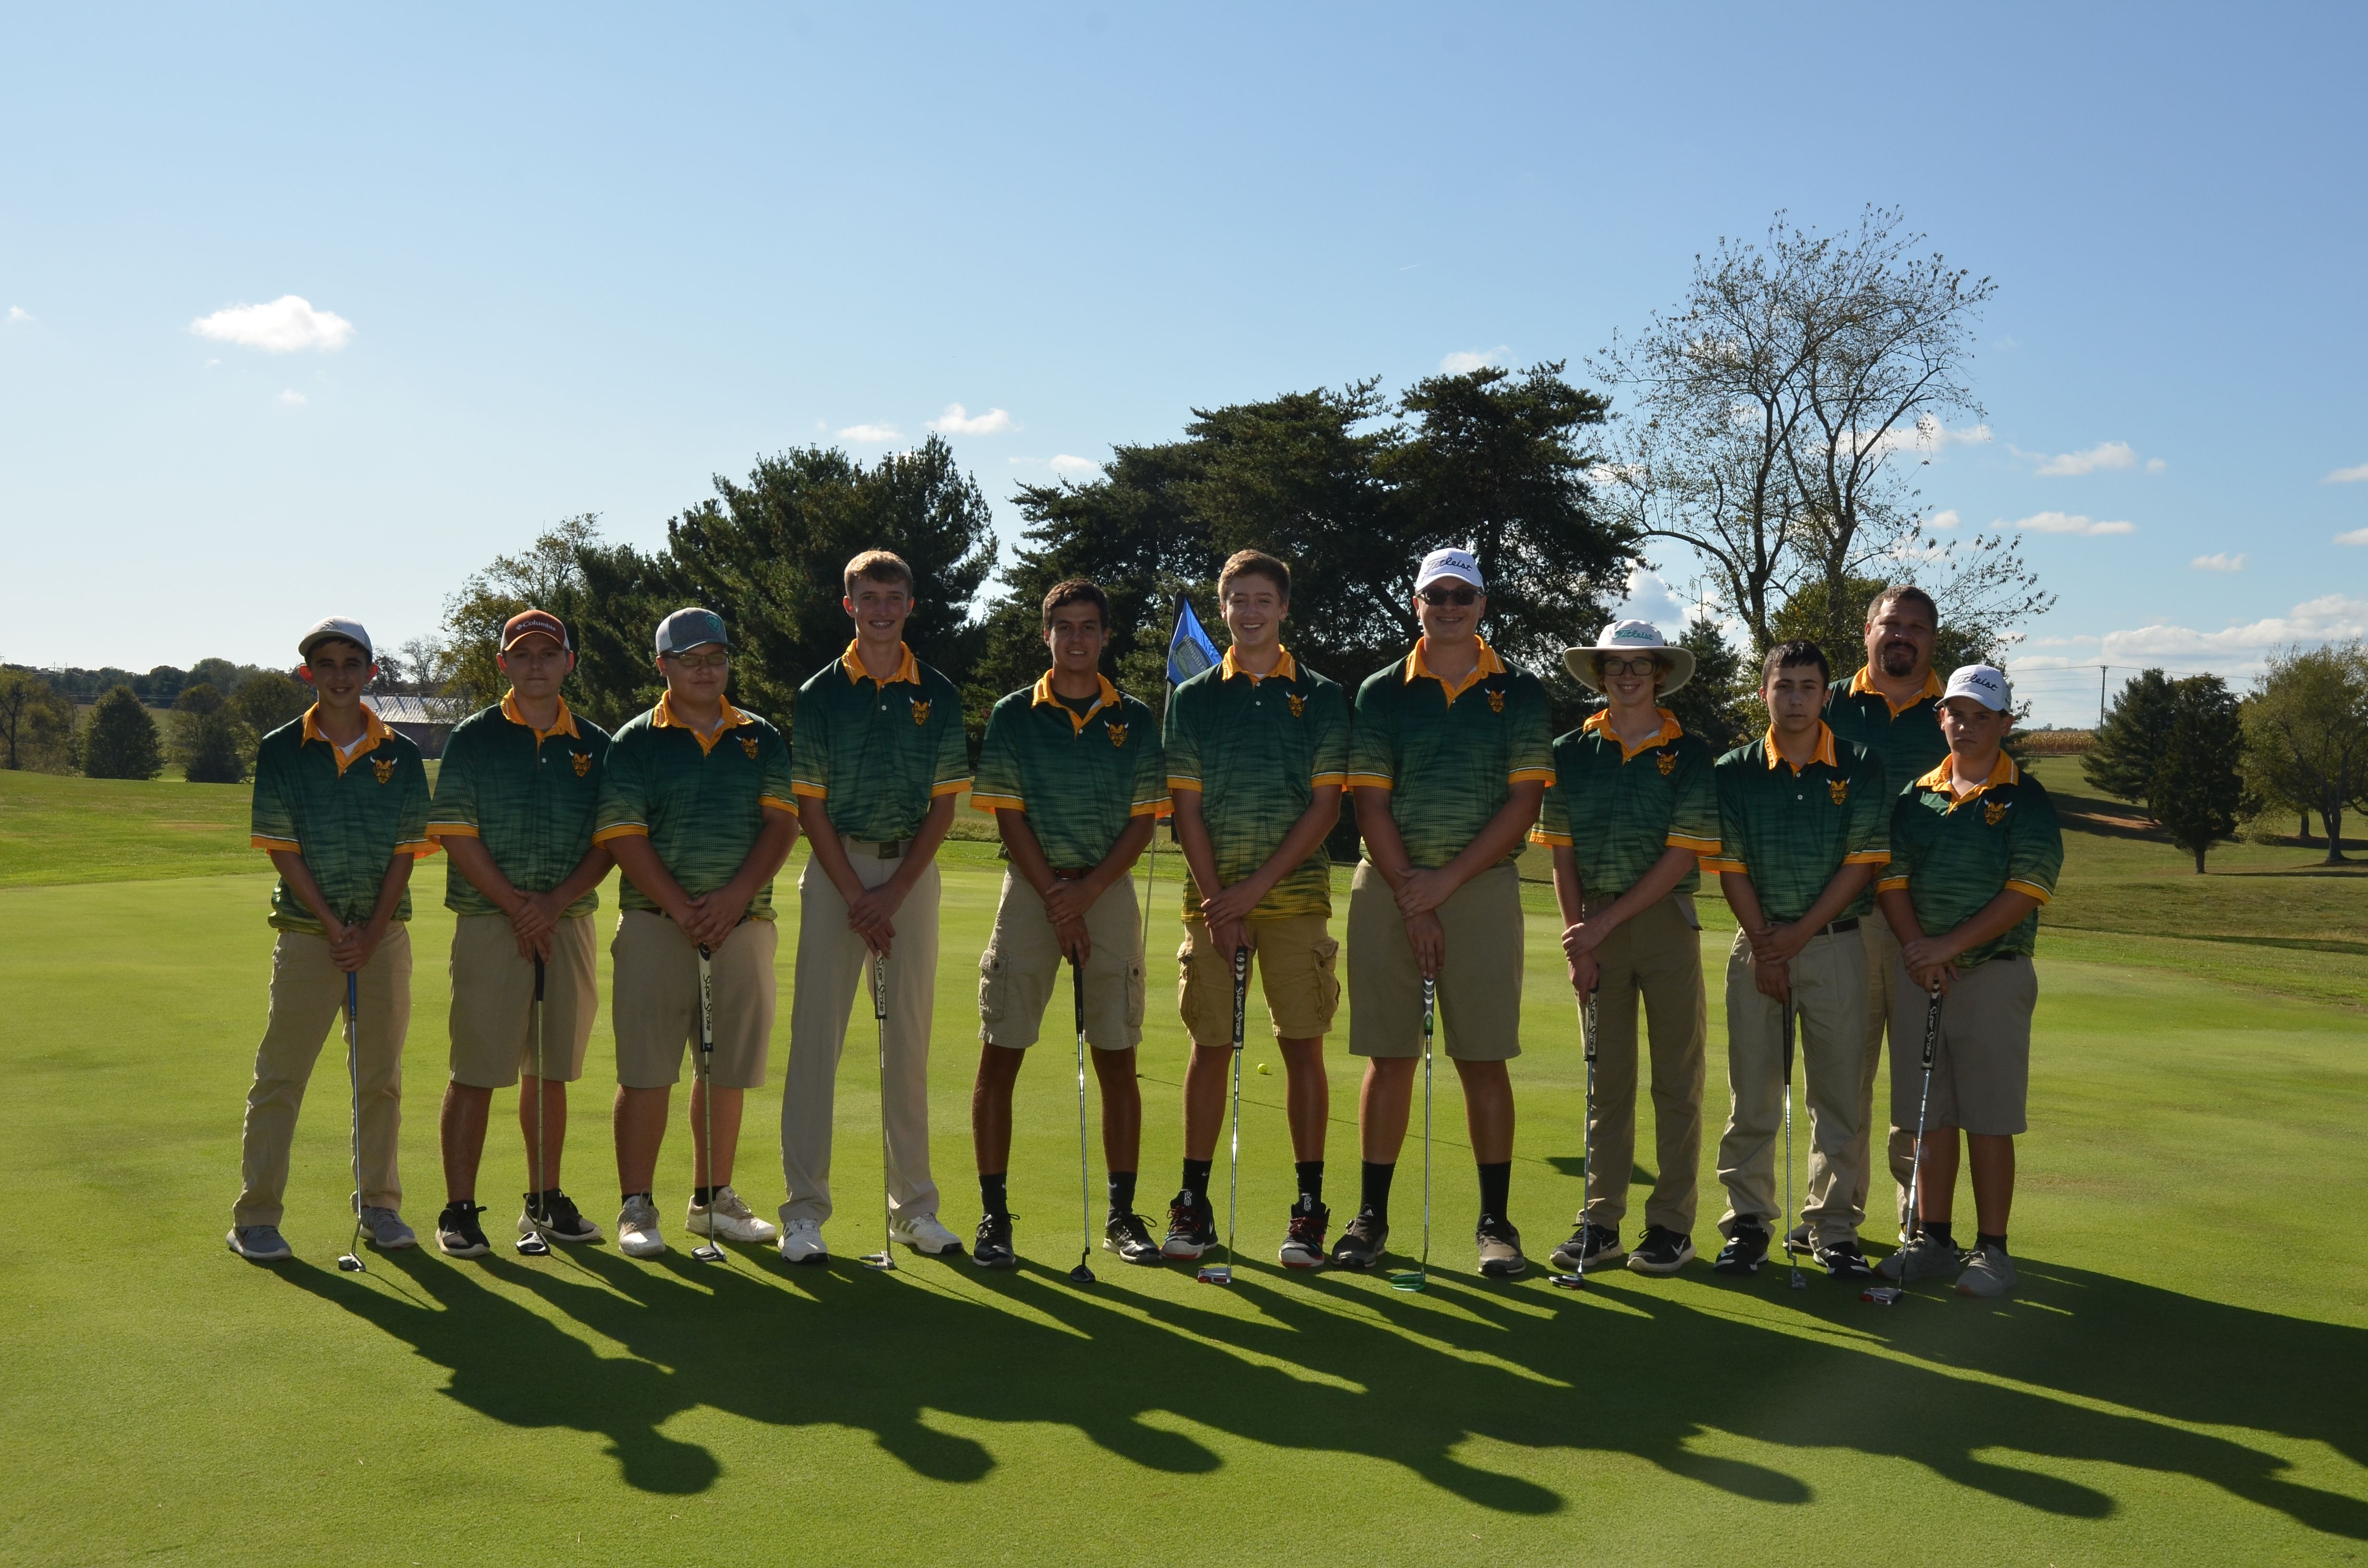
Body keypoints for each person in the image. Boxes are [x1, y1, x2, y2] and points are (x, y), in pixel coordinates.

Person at [1336, 548, 1553, 1278]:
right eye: (1438, 595)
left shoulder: (1519, 692)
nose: (1451, 606)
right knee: (1389, 1057)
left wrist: (1445, 884)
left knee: (1483, 1059)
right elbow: (1371, 801)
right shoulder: (1381, 691)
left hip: (1483, 889)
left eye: (1463, 594)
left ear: (1483, 604)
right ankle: (1370, 1219)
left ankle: (1496, 1224)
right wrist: (1412, 892)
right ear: (1418, 603)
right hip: (1389, 886)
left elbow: (1525, 800)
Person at [777, 551, 972, 1263]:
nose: (882, 608)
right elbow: (810, 805)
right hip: (837, 872)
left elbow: (946, 805)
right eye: (869, 597)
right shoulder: (821, 692)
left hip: (911, 875)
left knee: (908, 1046)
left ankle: (914, 1209)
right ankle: (804, 1212)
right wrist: (860, 895)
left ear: (910, 605)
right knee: (815, 1047)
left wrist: (892, 891)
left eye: (894, 596)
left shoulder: (939, 693)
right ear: (849, 604)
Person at [966, 580, 1167, 1268]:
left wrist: (1086, 894)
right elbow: (1007, 812)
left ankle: (1121, 1213)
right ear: (1044, 634)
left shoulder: (1135, 718)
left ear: (1105, 635)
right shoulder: (1014, 714)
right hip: (1031, 888)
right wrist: (1057, 894)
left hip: (1106, 890)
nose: (1077, 638)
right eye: (1064, 627)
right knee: (1002, 1052)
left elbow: (1145, 819)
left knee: (1118, 1057)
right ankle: (994, 1216)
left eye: (1089, 627)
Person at [1162, 550, 1353, 1267]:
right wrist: (1221, 900)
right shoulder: (1194, 696)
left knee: (1302, 1048)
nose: (1250, 611)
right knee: (1209, 1048)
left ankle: (1308, 1208)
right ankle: (1192, 1204)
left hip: (1294, 900)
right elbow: (1187, 809)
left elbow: (1325, 806)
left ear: (1283, 608)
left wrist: (1250, 893)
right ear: (1223, 610)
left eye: (1262, 600)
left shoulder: (1324, 696)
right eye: (1237, 600)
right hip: (1210, 905)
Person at [591, 608, 798, 1258]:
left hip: (744, 925)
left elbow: (781, 825)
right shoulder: (635, 741)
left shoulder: (760, 737)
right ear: (664, 667)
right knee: (647, 1070)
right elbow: (624, 836)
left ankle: (713, 1200)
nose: (706, 670)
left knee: (726, 1069)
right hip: (657, 924)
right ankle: (637, 1206)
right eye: (691, 659)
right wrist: (683, 907)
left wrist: (734, 899)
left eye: (716, 658)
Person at [228, 617, 436, 1262]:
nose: (341, 674)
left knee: (380, 1078)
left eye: (353, 662)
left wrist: (371, 932)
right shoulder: (283, 748)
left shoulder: (398, 753)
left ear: (372, 672)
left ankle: (381, 1206)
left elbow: (408, 850)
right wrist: (331, 923)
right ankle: (256, 1216)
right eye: (327, 663)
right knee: (281, 1077)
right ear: (308, 673)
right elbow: (282, 848)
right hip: (305, 934)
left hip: (383, 937)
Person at [423, 610, 614, 1257]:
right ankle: (458, 1208)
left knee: (551, 1070)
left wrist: (553, 904)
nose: (536, 664)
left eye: (548, 653)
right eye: (522, 654)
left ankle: (544, 1198)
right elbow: (456, 830)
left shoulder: (595, 744)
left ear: (568, 662)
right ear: (503, 663)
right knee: (476, 1069)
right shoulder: (474, 739)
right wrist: (516, 905)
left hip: (569, 922)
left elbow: (611, 840)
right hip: (487, 920)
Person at [1536, 620, 1720, 1277]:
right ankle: (1601, 1221)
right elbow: (1562, 855)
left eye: (1641, 664)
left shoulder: (1691, 752)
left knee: (1677, 1080)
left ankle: (1671, 1225)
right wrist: (1576, 942)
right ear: (1602, 675)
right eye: (1617, 665)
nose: (1629, 675)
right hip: (1590, 929)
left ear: (1660, 673)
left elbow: (1680, 858)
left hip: (1663, 923)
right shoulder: (1570, 750)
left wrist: (1601, 928)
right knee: (1605, 1084)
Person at [1703, 640, 1892, 1278]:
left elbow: (1862, 862)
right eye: (1783, 686)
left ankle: (1834, 1230)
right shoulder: (1734, 768)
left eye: (1808, 687)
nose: (1795, 698)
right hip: (1756, 944)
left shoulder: (1860, 766)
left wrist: (1795, 938)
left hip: (1837, 943)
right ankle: (1749, 1223)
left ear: (1825, 696)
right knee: (1753, 1094)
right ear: (1765, 693)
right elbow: (1730, 867)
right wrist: (1766, 943)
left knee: (1839, 1095)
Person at [1875, 664, 2063, 1300]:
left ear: (2005, 723)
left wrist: (1946, 947)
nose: (1967, 725)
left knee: (1988, 1117)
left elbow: (2026, 890)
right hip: (1921, 975)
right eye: (1957, 713)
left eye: (1983, 716)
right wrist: (1918, 952)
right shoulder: (1914, 797)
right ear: (1941, 718)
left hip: (1992, 976)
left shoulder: (2025, 800)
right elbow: (1891, 880)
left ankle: (1994, 1251)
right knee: (1928, 1116)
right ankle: (1932, 1239)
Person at [1822, 583, 1949, 1246]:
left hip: (1925, 926)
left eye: (1917, 628)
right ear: (1867, 631)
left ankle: (1920, 1217)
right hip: (1840, 918)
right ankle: (1832, 1216)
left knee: (1918, 1081)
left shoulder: (1955, 711)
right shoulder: (1826, 701)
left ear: (1933, 640)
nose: (1902, 636)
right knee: (1841, 1078)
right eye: (1890, 624)